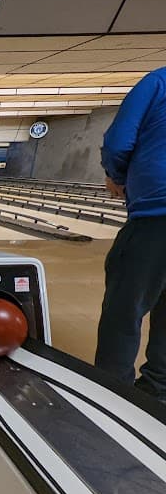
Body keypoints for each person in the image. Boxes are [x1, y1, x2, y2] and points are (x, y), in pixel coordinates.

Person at [97, 67, 166, 403]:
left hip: (156, 219)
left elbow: (118, 141)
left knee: (124, 311)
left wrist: (116, 175)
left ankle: (112, 397)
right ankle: (158, 395)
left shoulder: (158, 81)